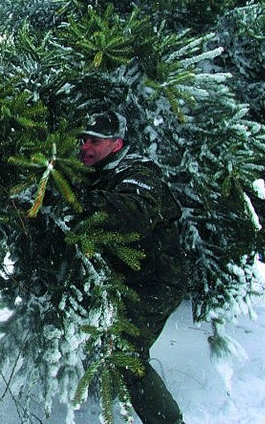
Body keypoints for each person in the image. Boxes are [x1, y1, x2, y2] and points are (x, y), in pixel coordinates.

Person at [79, 111, 186, 424]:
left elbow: (133, 214)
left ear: (117, 144)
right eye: (83, 139)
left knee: (129, 357)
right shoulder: (98, 169)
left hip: (156, 283)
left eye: (95, 141)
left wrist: (77, 201)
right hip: (126, 280)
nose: (86, 146)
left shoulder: (137, 172)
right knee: (107, 342)